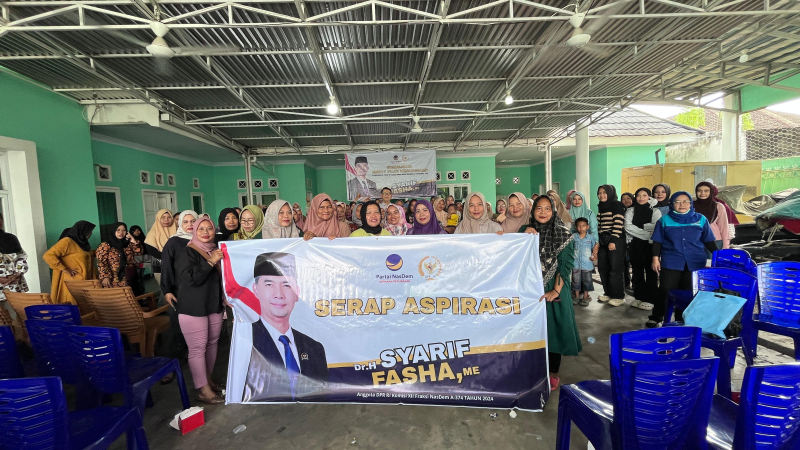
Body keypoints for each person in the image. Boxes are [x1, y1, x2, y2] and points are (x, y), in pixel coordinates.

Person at [521, 196, 580, 391]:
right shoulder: (526, 230)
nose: (543, 212)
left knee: (554, 332)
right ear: (533, 211)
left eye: (547, 208)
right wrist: (523, 237)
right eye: (539, 208)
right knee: (532, 331)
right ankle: (535, 370)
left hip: (554, 289)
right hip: (531, 290)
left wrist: (555, 290)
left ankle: (553, 373)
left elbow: (565, 265)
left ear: (554, 211)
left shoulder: (563, 233)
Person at [173, 216, 225, 404]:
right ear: (194, 231)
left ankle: (208, 380)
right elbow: (191, 279)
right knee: (197, 349)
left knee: (212, 344)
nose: (205, 232)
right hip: (193, 308)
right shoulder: (186, 252)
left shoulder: (216, 250)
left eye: (209, 228)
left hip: (213, 304)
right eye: (201, 229)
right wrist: (211, 261)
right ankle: (203, 390)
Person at [648, 192, 719, 328]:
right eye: (678, 202)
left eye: (686, 201)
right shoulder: (664, 220)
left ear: (691, 203)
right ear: (672, 204)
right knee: (665, 289)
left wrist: (719, 256)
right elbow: (657, 241)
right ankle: (657, 316)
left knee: (688, 291)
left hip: (695, 261)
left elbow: (709, 241)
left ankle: (681, 319)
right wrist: (655, 259)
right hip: (671, 260)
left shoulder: (701, 219)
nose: (682, 205)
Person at [160, 210, 198, 382]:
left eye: (193, 221)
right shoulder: (174, 242)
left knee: (196, 329)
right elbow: (166, 267)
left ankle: (193, 361)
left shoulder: (202, 240)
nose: (190, 225)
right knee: (177, 328)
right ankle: (170, 365)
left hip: (198, 290)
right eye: (185, 222)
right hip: (178, 291)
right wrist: (167, 290)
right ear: (180, 224)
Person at [625, 188, 661, 311]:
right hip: (635, 245)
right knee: (637, 272)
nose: (641, 198)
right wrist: (646, 232)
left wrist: (638, 229)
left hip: (651, 246)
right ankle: (639, 297)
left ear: (649, 197)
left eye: (644, 195)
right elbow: (627, 226)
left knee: (651, 272)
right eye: (638, 195)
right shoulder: (630, 210)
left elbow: (656, 227)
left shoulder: (655, 211)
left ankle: (650, 299)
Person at [43, 221, 96, 305]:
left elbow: (83, 255)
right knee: (72, 305)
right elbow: (48, 255)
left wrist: (100, 251)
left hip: (85, 280)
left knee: (84, 307)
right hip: (72, 280)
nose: (90, 234)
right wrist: (64, 269)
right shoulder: (67, 241)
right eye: (89, 231)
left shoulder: (83, 243)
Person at [596, 185, 626, 307]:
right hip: (603, 240)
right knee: (603, 267)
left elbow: (618, 223)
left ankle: (618, 296)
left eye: (604, 192)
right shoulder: (601, 206)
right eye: (599, 193)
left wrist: (613, 241)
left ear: (610, 193)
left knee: (615, 268)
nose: (602, 195)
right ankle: (608, 293)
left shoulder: (617, 205)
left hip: (615, 240)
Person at [96, 222, 141, 288]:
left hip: (130, 276)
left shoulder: (129, 243)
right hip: (113, 279)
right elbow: (101, 262)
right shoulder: (105, 245)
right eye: (118, 230)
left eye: (124, 230)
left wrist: (134, 242)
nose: (121, 233)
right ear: (113, 230)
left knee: (131, 293)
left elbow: (138, 255)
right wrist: (105, 276)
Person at [694, 181, 730, 252]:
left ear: (711, 192)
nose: (702, 193)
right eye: (699, 191)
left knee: (713, 259)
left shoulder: (718, 206)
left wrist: (726, 246)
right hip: (696, 241)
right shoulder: (690, 206)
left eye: (706, 191)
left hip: (715, 241)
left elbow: (724, 227)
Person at [0, 212, 29, 297]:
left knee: (17, 304)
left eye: (0, 219)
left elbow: (21, 257)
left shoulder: (10, 238)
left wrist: (18, 274)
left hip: (14, 286)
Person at [144, 209, 176, 284]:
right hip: (160, 265)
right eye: (163, 217)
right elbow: (152, 251)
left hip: (177, 265)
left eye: (169, 217)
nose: (166, 220)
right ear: (158, 218)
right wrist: (170, 258)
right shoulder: (152, 233)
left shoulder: (177, 231)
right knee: (165, 288)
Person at [571, 217, 597, 307]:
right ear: (575, 227)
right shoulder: (573, 237)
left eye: (583, 226)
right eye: (579, 226)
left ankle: (585, 297)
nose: (581, 228)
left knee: (587, 281)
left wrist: (594, 257)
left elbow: (594, 250)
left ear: (587, 227)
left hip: (587, 264)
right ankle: (577, 297)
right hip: (575, 264)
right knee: (575, 281)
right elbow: (570, 248)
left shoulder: (591, 238)